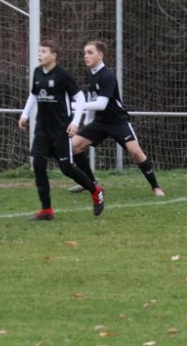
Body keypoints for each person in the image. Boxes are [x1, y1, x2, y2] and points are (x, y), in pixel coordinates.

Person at [65, 41, 164, 197]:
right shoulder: (91, 73)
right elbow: (91, 96)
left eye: (90, 52)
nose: (86, 56)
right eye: (85, 53)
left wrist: (76, 105)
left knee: (135, 152)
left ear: (100, 55)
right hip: (100, 122)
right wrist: (87, 122)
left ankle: (156, 187)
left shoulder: (107, 75)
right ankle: (92, 184)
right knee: (74, 146)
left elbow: (101, 104)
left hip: (118, 121)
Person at [19, 39, 103, 220]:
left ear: (54, 56)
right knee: (38, 165)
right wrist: (25, 115)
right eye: (39, 51)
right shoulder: (37, 73)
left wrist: (75, 123)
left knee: (66, 168)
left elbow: (80, 98)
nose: (40, 54)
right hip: (42, 129)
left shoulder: (62, 75)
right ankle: (46, 210)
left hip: (60, 130)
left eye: (44, 51)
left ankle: (95, 190)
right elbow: (34, 95)